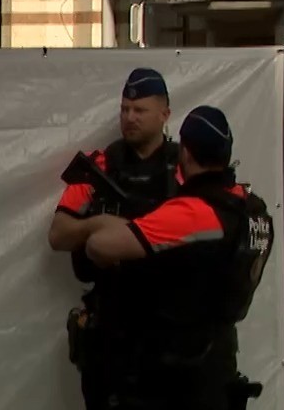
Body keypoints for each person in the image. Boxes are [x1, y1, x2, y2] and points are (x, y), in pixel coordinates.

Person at [80, 106, 276, 410]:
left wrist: (101, 223)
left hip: (174, 378)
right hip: (218, 366)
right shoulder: (255, 211)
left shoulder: (196, 212)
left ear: (184, 152)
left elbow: (98, 246)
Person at [47, 67, 181, 408]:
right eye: (124, 110)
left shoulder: (184, 168)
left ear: (165, 114)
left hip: (169, 332)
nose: (130, 118)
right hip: (111, 332)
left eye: (139, 110)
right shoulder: (99, 166)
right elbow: (59, 234)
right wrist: (99, 225)